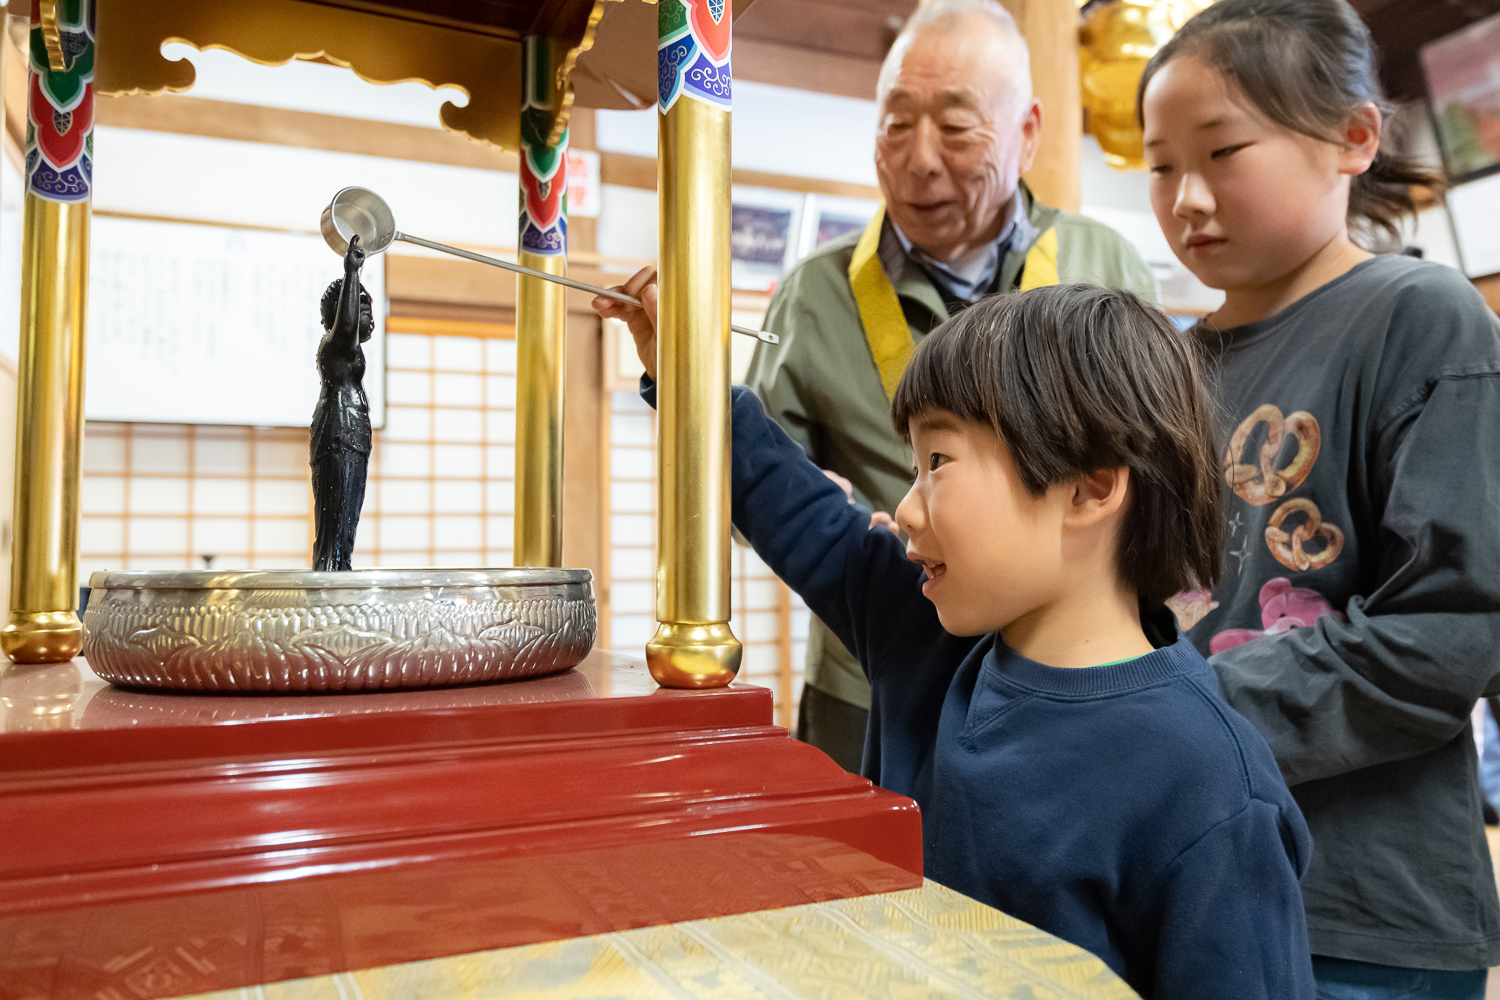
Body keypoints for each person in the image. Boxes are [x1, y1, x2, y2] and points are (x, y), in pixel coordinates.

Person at [595, 273, 1314, 999]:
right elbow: (787, 502)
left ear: (1089, 489)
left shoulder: (1211, 785)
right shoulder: (924, 632)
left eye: (936, 462)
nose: (904, 510)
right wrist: (683, 370)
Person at [1139, 1, 1500, 995]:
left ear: (1352, 137)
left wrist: (1174, 710)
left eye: (1224, 152)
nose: (1188, 198)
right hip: (1193, 877)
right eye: (1162, 164)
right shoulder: (1168, 365)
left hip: (1363, 911)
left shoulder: (1421, 317)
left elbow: (1450, 631)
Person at [743, 0, 1158, 773]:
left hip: (1070, 677)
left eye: (957, 127)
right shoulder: (813, 292)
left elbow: (1152, 472)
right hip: (872, 670)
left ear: (1028, 132)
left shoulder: (1109, 266)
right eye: (895, 124)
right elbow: (761, 486)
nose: (920, 159)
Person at [310, 236, 375, 572]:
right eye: (364, 310)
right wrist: (352, 273)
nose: (370, 320)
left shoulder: (349, 350)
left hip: (352, 433)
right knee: (335, 514)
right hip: (339, 432)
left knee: (347, 515)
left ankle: (340, 568)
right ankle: (332, 576)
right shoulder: (335, 346)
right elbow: (347, 325)